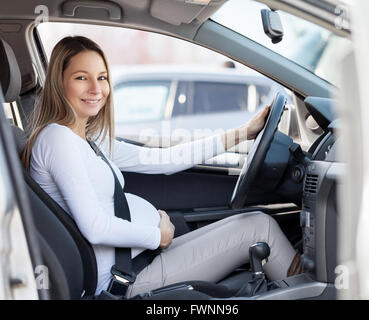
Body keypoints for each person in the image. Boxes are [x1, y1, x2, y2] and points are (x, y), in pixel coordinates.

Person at [21, 36, 302, 298]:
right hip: (125, 279)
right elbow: (94, 227)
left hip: (142, 258)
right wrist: (158, 235)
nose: (96, 89)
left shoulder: (87, 139)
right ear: (59, 83)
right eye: (82, 78)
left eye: (102, 77)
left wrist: (242, 133)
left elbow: (162, 159)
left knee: (255, 221)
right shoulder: (57, 139)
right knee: (259, 229)